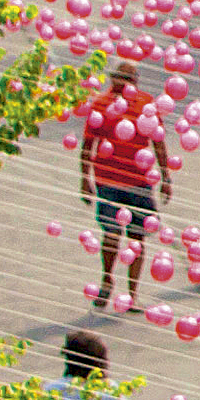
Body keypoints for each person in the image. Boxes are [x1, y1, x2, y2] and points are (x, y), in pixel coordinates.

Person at [78, 63, 167, 310]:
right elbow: (88, 144)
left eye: (131, 79)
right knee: (111, 234)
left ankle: (132, 295)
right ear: (113, 79)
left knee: (137, 238)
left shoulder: (146, 103)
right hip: (109, 181)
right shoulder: (100, 104)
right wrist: (85, 181)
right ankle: (107, 282)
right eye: (122, 78)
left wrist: (166, 177)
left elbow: (158, 141)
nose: (127, 83)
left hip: (139, 181)